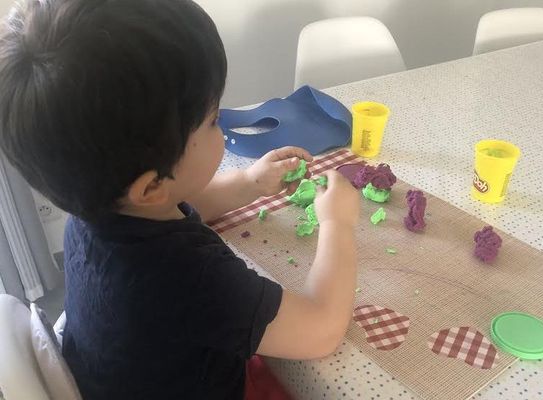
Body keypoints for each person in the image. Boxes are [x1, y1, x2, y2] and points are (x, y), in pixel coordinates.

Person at [0, 0, 360, 398]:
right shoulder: (190, 278)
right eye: (212, 121)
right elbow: (321, 329)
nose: (221, 127)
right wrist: (337, 224)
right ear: (151, 185)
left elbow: (180, 205)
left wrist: (249, 183)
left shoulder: (91, 214)